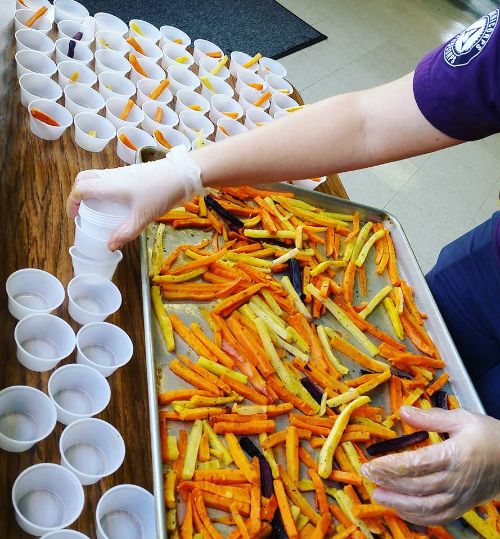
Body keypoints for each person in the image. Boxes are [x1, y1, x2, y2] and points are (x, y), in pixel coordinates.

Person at [67, 9, 500, 525]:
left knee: (456, 495)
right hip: (488, 276)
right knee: (410, 377)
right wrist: (184, 171)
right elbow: (369, 120)